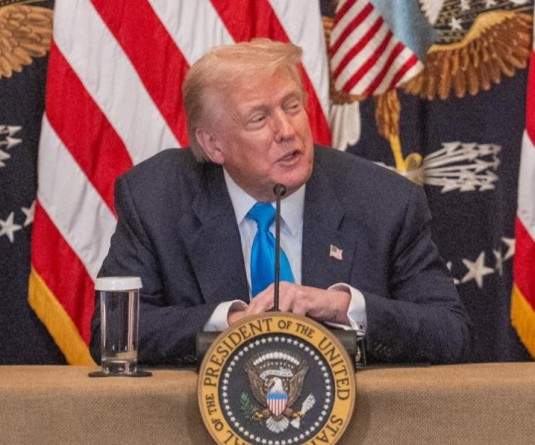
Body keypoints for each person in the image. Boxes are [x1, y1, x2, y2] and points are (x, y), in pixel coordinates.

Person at [90, 39, 472, 366]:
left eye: (292, 106)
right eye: (259, 119)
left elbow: (451, 332)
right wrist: (231, 322)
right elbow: (112, 334)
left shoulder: (384, 200)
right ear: (214, 144)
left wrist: (342, 306)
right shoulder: (156, 198)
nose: (287, 131)